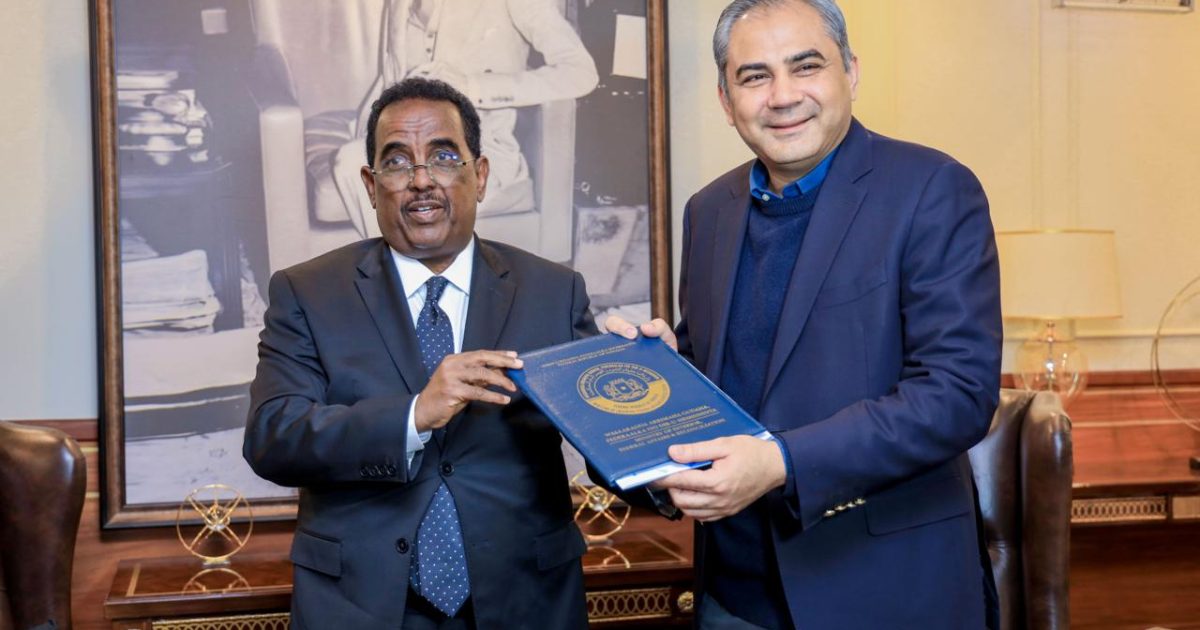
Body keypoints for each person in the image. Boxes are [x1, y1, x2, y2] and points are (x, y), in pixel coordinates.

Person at [606, 0, 1003, 628]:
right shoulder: (709, 211)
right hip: (730, 596)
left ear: (851, 72)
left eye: (806, 66)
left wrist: (782, 462)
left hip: (882, 595)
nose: (783, 96)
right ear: (726, 99)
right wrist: (659, 376)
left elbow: (957, 394)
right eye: (755, 76)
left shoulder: (931, 189)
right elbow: (720, 376)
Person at [244, 77, 595, 629]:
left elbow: (611, 440)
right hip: (362, 606)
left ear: (480, 176)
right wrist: (413, 416)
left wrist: (653, 381)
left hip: (524, 602)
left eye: (444, 156)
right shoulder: (307, 292)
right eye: (397, 162)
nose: (422, 180)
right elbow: (273, 437)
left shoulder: (554, 291)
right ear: (371, 184)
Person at [330, 0, 599, 238]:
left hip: (476, 153)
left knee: (381, 177)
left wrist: (473, 86)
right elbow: (391, 76)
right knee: (353, 162)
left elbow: (580, 72)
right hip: (410, 146)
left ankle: (403, 274)